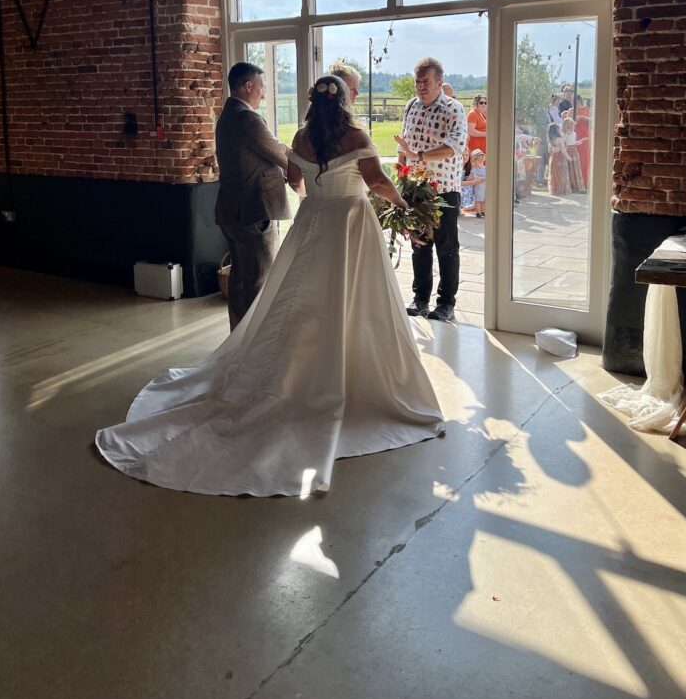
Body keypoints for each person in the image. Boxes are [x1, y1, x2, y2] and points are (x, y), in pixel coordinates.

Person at [95, 74, 445, 496]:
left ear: (314, 104)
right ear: (344, 102)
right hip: (351, 226)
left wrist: (316, 194)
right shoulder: (355, 135)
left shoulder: (300, 136)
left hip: (313, 222)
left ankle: (300, 373)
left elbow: (295, 180)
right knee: (356, 302)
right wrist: (404, 203)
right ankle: (347, 376)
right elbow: (375, 181)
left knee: (300, 302)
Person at [214, 62, 291, 331]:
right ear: (248, 86)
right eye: (262, 87)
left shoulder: (227, 115)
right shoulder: (247, 118)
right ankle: (254, 343)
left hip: (232, 212)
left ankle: (238, 338)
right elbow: (279, 154)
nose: (264, 93)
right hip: (253, 212)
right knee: (260, 282)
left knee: (239, 281)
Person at [394, 57, 468, 323]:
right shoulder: (411, 107)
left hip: (444, 190)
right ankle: (420, 299)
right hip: (416, 188)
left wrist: (419, 155)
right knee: (419, 246)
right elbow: (404, 145)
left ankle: (446, 303)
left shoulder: (453, 108)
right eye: (417, 82)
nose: (420, 87)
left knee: (447, 248)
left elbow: (454, 145)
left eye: (426, 82)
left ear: (439, 81)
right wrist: (401, 174)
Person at [562, 116, 586, 193]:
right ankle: (570, 186)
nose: (573, 126)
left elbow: (574, 142)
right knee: (569, 168)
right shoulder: (563, 134)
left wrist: (580, 142)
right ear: (568, 126)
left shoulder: (574, 133)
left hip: (574, 151)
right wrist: (566, 134)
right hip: (567, 150)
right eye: (572, 125)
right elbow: (564, 143)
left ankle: (577, 186)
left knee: (575, 168)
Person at [547, 122, 573, 196]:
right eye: (559, 128)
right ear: (556, 130)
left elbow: (549, 151)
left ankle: (554, 190)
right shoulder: (560, 139)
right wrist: (569, 158)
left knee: (554, 174)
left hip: (553, 158)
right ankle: (562, 190)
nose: (560, 129)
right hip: (560, 158)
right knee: (562, 174)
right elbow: (563, 151)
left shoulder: (550, 140)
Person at [575, 96, 591, 188]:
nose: (576, 102)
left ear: (580, 101)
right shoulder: (571, 110)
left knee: (585, 159)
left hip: (585, 134)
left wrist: (583, 117)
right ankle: (577, 184)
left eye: (577, 100)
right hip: (576, 135)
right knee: (577, 159)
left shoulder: (585, 108)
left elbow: (592, 121)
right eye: (574, 100)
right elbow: (567, 123)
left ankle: (586, 182)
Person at [470, 149, 486, 217]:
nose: (481, 162)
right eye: (479, 161)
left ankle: (483, 211)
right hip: (478, 187)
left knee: (484, 200)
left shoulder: (485, 168)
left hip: (484, 186)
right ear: (474, 161)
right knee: (478, 200)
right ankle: (478, 212)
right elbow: (476, 178)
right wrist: (483, 178)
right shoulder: (474, 169)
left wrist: (482, 178)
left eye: (482, 161)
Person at [460, 148, 476, 213]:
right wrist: (472, 182)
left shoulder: (467, 166)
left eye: (467, 155)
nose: (465, 157)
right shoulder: (458, 166)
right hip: (457, 185)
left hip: (463, 184)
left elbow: (467, 179)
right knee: (467, 187)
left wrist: (473, 169)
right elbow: (459, 183)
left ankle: (461, 207)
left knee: (473, 186)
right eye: (462, 155)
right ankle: (460, 206)